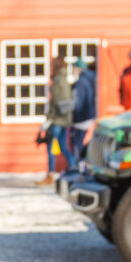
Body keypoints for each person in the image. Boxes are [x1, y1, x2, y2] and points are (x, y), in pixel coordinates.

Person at [36, 56, 77, 186]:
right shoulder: (64, 80)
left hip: (57, 120)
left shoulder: (57, 81)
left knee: (51, 147)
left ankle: (51, 174)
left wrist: (49, 119)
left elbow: (55, 103)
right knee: (63, 146)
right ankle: (74, 168)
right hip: (65, 119)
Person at [69, 58, 96, 164]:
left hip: (80, 120)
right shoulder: (90, 79)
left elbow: (78, 103)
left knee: (78, 147)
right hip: (89, 117)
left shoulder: (81, 82)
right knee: (85, 146)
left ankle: (79, 168)